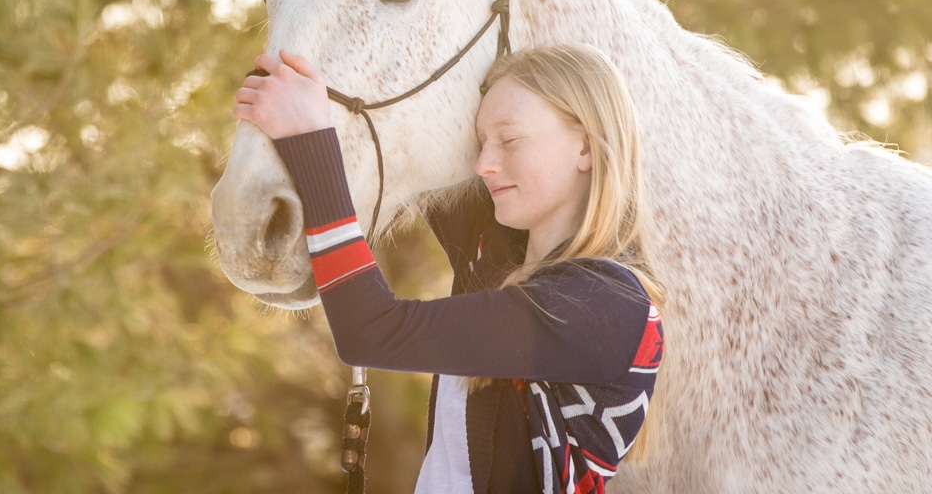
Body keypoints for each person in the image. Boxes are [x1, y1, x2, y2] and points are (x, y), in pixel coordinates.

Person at [233, 43, 666, 494]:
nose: (483, 164)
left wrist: (308, 137)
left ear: (586, 147)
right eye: (481, 142)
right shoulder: (499, 256)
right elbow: (406, 122)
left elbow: (371, 330)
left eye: (509, 139)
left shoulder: (608, 305)